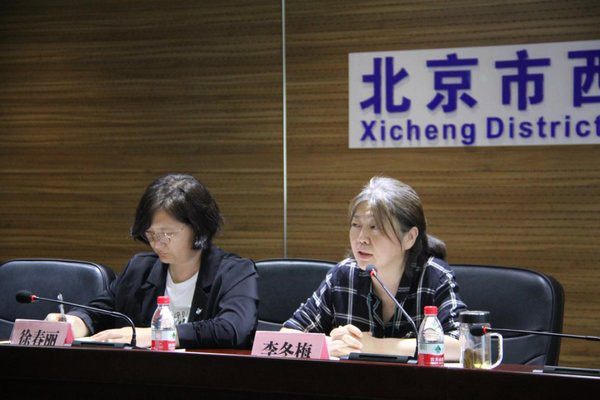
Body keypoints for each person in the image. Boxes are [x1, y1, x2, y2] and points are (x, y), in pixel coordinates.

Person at [47, 173, 258, 349]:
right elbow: (99, 312)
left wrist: (156, 335)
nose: (157, 244)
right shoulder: (140, 270)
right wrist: (75, 322)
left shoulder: (235, 272)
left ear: (197, 227)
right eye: (151, 234)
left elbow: (234, 329)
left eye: (166, 234)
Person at [282, 176, 466, 359]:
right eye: (356, 225)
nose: (361, 238)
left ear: (409, 238)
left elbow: (461, 344)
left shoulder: (434, 276)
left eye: (375, 227)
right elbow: (286, 336)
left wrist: (374, 346)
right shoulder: (343, 276)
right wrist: (329, 345)